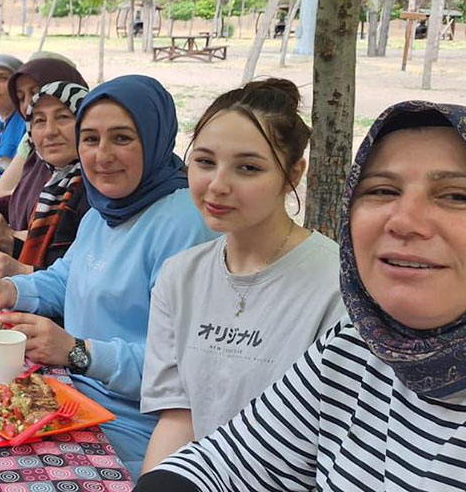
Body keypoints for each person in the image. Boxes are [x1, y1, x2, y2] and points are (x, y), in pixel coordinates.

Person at [138, 101, 466, 491]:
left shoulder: (334, 294)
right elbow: (229, 460)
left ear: (293, 174)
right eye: (382, 190)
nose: (405, 220)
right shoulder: (356, 346)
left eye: (458, 196)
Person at [0, 75, 217, 476]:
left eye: (122, 138)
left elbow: (184, 369)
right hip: (65, 397)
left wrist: (79, 351)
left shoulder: (185, 225)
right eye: (91, 139)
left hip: (130, 427)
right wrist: (9, 290)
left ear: (155, 138)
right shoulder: (102, 212)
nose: (102, 155)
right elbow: (65, 279)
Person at [138, 79, 344, 473]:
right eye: (204, 162)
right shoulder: (179, 277)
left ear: (293, 175)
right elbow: (180, 418)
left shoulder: (336, 286)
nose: (217, 185)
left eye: (248, 168)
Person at [0, 79, 92, 278]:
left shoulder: (94, 190)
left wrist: (20, 268)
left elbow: (82, 281)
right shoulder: (55, 182)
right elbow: (50, 261)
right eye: (40, 121)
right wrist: (7, 243)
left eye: (63, 117)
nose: (50, 131)